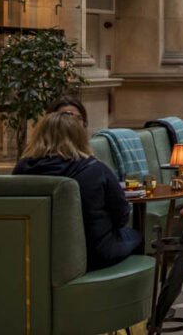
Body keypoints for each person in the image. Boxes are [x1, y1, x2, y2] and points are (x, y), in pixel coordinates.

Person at [12, 111, 141, 270]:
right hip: (93, 254)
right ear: (79, 137)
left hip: (35, 255)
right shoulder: (96, 169)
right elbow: (121, 216)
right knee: (137, 236)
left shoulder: (21, 169)